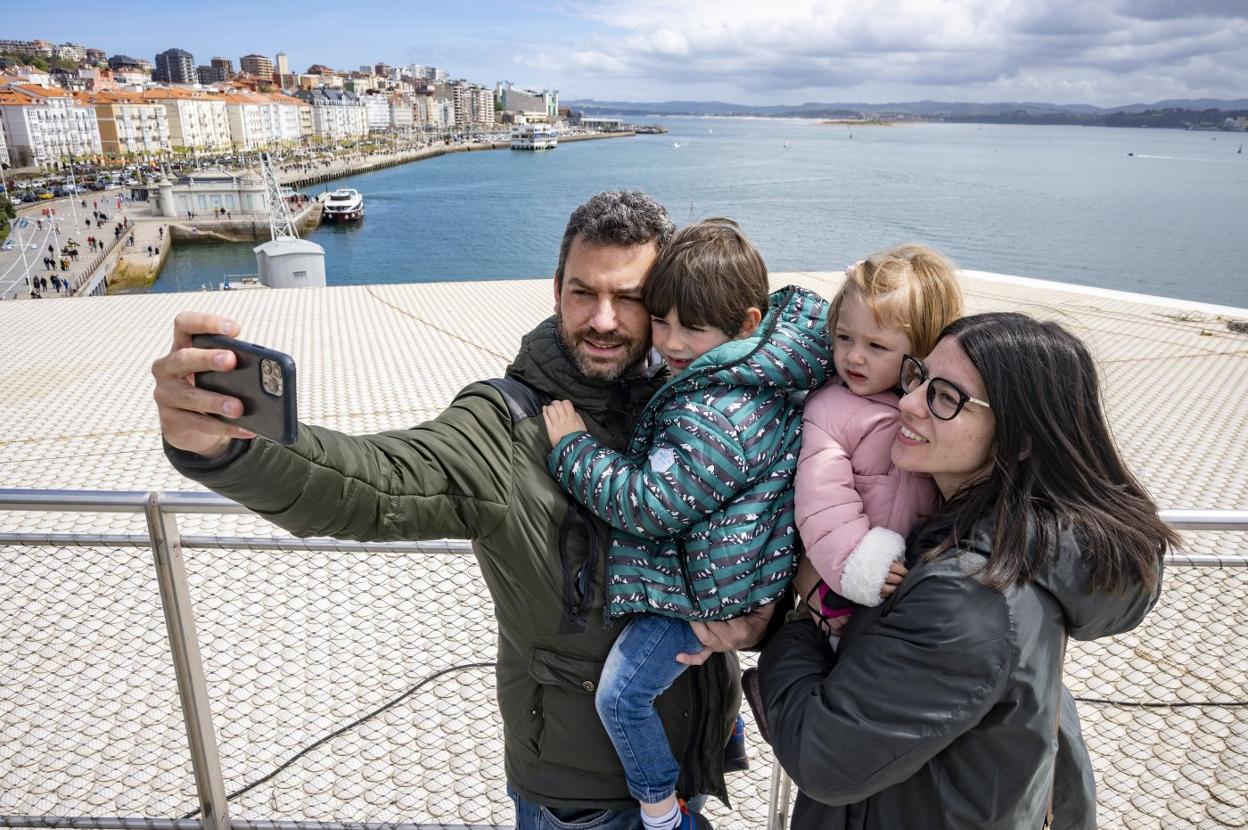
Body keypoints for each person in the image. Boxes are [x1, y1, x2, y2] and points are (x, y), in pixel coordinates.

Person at [151, 191, 771, 828]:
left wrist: (758, 622)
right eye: (583, 293)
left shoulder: (696, 409)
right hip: (581, 798)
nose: (604, 320)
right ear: (556, 290)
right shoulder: (508, 424)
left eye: (630, 298)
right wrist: (230, 448)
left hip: (691, 763)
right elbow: (378, 484)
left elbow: (772, 526)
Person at [756, 312, 1178, 829]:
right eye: (918, 376)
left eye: (946, 397)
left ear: (1019, 439)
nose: (907, 402)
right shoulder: (1019, 544)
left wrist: (798, 620)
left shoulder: (971, 595)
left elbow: (825, 756)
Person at [542, 220, 832, 830]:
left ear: (747, 324)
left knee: (621, 697)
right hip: (719, 576)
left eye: (691, 328)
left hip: (698, 596)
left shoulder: (718, 413)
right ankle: (722, 735)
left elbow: (648, 504)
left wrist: (575, 451)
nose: (669, 341)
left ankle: (661, 812)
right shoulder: (748, 378)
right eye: (661, 318)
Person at [793, 245, 963, 645]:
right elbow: (823, 499)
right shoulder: (830, 410)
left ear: (920, 350)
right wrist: (853, 566)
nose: (853, 356)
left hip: (911, 577)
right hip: (848, 584)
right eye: (844, 337)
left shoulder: (930, 406)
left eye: (876, 347)